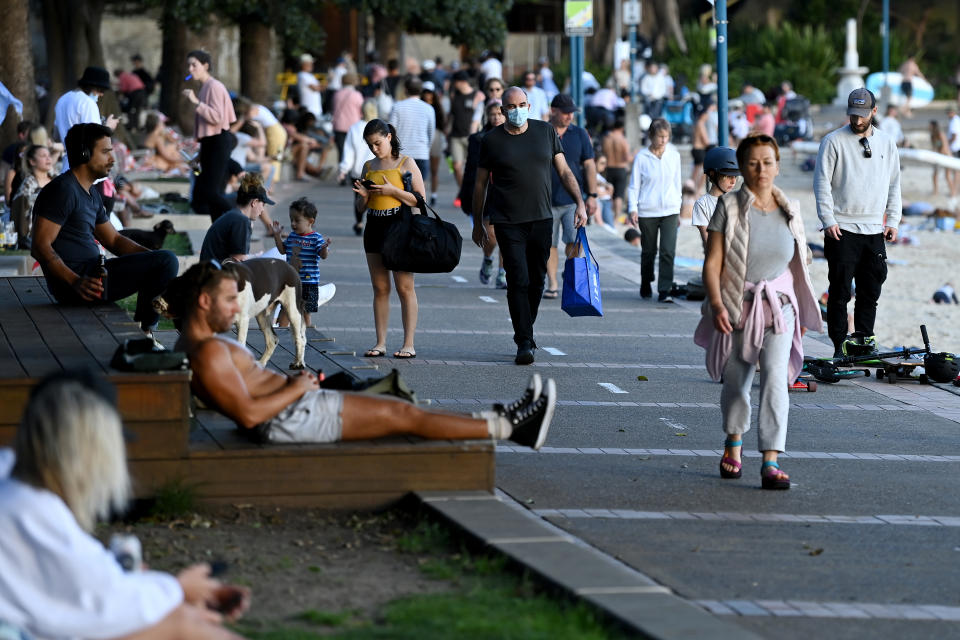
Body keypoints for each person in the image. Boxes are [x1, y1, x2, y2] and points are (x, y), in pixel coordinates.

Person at [165, 262, 557, 450]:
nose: (237, 308)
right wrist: (299, 385)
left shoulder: (198, 345)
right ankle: (510, 427)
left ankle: (506, 417)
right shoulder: (209, 352)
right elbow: (249, 414)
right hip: (289, 417)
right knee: (402, 415)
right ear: (203, 301)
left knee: (398, 409)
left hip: (291, 410)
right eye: (230, 300)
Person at [0, 370, 250, 639]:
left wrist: (178, 592)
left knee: (182, 619)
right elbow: (104, 603)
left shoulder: (16, 486)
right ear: (88, 445)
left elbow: (86, 588)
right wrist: (178, 589)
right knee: (183, 626)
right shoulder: (29, 509)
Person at [696, 134, 821, 491]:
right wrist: (718, 303)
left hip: (780, 308)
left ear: (778, 167)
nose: (761, 169)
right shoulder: (730, 207)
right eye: (753, 162)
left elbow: (800, 260)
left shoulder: (790, 208)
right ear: (743, 167)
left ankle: (771, 459)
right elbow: (714, 261)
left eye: (767, 162)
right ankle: (733, 444)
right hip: (738, 305)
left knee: (776, 381)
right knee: (736, 383)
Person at [472, 87, 587, 365]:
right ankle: (524, 340)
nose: (517, 110)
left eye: (522, 104)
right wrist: (478, 223)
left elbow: (564, 171)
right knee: (518, 280)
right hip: (507, 222)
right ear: (502, 110)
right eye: (511, 106)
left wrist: (580, 203)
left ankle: (526, 326)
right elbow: (480, 184)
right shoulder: (491, 140)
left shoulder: (545, 132)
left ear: (529, 105)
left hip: (541, 220)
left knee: (536, 280)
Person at [31, 123, 179, 335]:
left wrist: (154, 260)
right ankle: (146, 335)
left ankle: (146, 334)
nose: (112, 159)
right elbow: (39, 246)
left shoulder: (91, 193)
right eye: (106, 152)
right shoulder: (62, 190)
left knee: (165, 261)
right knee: (167, 260)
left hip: (94, 275)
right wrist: (74, 281)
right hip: (78, 283)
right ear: (84, 153)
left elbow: (114, 240)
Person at [814, 88, 901, 356]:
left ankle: (862, 341)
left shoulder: (887, 143)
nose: (857, 120)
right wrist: (828, 220)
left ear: (874, 112)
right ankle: (840, 345)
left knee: (870, 289)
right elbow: (821, 183)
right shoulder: (832, 141)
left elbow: (894, 184)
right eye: (853, 114)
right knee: (839, 293)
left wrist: (893, 219)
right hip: (841, 228)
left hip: (875, 228)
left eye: (863, 115)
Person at [353, 119, 424, 359]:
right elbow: (360, 208)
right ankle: (380, 342)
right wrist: (364, 196)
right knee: (380, 288)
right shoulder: (368, 166)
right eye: (370, 145)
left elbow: (420, 200)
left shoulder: (406, 163)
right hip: (374, 226)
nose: (374, 149)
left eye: (378, 143)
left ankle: (409, 344)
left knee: (404, 287)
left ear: (389, 137)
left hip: (399, 227)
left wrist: (392, 191)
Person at [544, 94, 597, 299]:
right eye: (565, 112)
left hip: (572, 201)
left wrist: (591, 195)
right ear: (553, 110)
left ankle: (569, 269)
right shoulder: (543, 132)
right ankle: (553, 283)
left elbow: (589, 165)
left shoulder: (580, 134)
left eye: (571, 113)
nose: (569, 116)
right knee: (549, 245)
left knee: (576, 243)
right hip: (545, 200)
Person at [627, 118, 682, 303]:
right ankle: (646, 280)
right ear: (651, 136)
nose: (663, 140)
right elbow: (634, 185)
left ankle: (664, 289)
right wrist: (632, 209)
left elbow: (677, 183)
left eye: (666, 136)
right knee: (649, 251)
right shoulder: (642, 157)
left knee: (668, 251)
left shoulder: (674, 155)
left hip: (670, 210)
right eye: (660, 136)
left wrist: (679, 208)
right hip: (647, 211)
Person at [182, 50, 237, 222]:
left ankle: (240, 220)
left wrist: (196, 102)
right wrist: (200, 155)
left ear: (205, 66)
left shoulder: (214, 86)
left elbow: (217, 118)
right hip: (211, 143)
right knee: (202, 196)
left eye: (194, 65)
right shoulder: (205, 87)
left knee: (211, 192)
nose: (190, 69)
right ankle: (219, 231)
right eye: (189, 65)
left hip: (219, 141)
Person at [460, 99, 507, 288]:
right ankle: (488, 258)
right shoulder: (478, 139)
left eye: (499, 114)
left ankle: (503, 273)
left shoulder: (514, 137)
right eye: (492, 114)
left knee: (506, 235)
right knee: (492, 236)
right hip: (488, 192)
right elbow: (471, 171)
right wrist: (466, 195)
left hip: (508, 191)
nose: (496, 118)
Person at [271, 197, 330, 327]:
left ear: (310, 221)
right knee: (286, 308)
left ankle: (308, 332)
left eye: (297, 220)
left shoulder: (316, 238)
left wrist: (324, 248)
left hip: (309, 282)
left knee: (306, 311)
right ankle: (282, 330)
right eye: (291, 219)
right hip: (291, 281)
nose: (293, 224)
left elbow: (323, 255)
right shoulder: (292, 236)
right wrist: (277, 236)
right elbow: (282, 250)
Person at [53, 66, 119, 173]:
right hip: (87, 169)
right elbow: (95, 139)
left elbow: (56, 135)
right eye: (100, 90)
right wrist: (108, 127)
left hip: (68, 166)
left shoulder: (62, 99)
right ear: (92, 86)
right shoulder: (88, 103)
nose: (102, 94)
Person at [199, 173, 276, 263]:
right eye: (263, 204)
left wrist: (254, 256)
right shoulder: (241, 221)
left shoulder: (235, 216)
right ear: (254, 202)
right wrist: (256, 258)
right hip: (215, 274)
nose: (262, 210)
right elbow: (238, 261)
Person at [337, 100, 377, 235]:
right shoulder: (379, 127)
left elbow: (349, 152)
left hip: (358, 171)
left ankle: (359, 222)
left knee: (358, 198)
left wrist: (343, 170)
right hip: (376, 169)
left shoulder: (354, 128)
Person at [388, 75, 435, 188]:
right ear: (421, 91)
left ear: (405, 90)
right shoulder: (429, 108)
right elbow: (431, 133)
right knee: (418, 193)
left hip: (401, 155)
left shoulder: (397, 107)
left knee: (401, 191)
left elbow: (391, 131)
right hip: (421, 153)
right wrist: (425, 148)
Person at [692, 146, 740, 251]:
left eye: (735, 176)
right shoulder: (702, 204)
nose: (733, 181)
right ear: (713, 174)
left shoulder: (737, 200)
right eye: (728, 176)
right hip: (717, 258)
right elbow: (709, 241)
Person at [9, 145, 54, 249]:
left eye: (49, 155)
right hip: (34, 238)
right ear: (32, 161)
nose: (48, 158)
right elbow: (19, 218)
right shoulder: (26, 187)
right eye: (43, 156)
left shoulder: (57, 181)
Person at [447, 71, 485, 191]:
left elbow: (480, 116)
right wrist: (446, 128)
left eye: (455, 82)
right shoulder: (454, 95)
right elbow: (451, 114)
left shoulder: (477, 95)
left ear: (462, 82)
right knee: (456, 167)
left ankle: (473, 190)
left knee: (473, 167)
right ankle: (464, 190)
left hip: (471, 137)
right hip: (456, 136)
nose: (454, 84)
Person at [421, 82, 446, 207]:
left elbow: (442, 124)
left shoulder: (437, 107)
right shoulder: (419, 105)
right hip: (421, 137)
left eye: (430, 92)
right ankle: (421, 195)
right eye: (425, 92)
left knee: (434, 170)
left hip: (435, 137)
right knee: (421, 170)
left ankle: (434, 195)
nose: (428, 95)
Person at [601, 118, 631, 224]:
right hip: (620, 168)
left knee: (610, 193)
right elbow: (627, 158)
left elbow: (603, 154)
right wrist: (635, 155)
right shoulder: (622, 139)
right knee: (618, 195)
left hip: (608, 168)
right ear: (622, 128)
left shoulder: (606, 138)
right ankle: (616, 218)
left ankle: (608, 216)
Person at [331, 73, 364, 164]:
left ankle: (342, 174)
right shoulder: (357, 95)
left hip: (338, 126)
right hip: (354, 127)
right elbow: (362, 112)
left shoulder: (336, 94)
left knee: (341, 153)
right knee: (353, 152)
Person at [691, 100, 718, 189]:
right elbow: (705, 140)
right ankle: (696, 190)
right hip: (699, 150)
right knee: (702, 172)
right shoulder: (701, 123)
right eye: (706, 114)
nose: (708, 116)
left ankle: (692, 189)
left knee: (695, 171)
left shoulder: (697, 123)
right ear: (703, 115)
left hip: (696, 149)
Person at [929, 120, 954, 196]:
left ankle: (953, 192)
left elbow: (945, 147)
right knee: (935, 175)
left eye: (930, 125)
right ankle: (935, 191)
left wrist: (938, 154)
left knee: (947, 176)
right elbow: (934, 147)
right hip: (939, 157)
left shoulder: (941, 134)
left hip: (946, 156)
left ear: (934, 126)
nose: (928, 127)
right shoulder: (932, 136)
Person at [297, 53, 323, 119]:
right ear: (303, 64)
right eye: (309, 64)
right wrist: (330, 81)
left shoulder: (309, 76)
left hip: (314, 110)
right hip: (309, 110)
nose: (311, 65)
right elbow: (316, 88)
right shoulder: (303, 75)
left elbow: (319, 87)